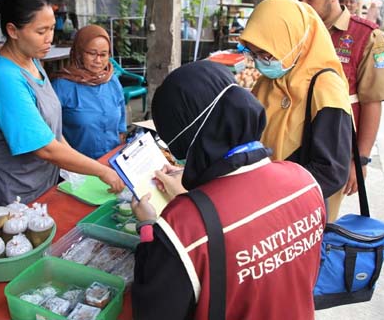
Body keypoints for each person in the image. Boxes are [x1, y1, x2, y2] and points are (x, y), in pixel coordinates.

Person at [130, 60, 326, 319]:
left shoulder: (184, 224)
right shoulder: (305, 181)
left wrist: (148, 227)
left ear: (186, 140)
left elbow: (152, 311)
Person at [0, 0, 124, 206]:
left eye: (51, 29)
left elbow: (53, 134)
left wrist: (85, 169)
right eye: (41, 32)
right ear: (13, 31)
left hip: (41, 183)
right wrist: (100, 171)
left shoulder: (32, 61)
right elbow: (45, 148)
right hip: (12, 191)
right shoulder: (6, 79)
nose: (49, 38)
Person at [286, 0, 384, 222]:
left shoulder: (365, 36)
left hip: (332, 154)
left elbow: (371, 100)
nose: (302, 5)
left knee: (319, 224)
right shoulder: (295, 29)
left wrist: (361, 159)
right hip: (290, 146)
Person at [239, 0, 352, 203]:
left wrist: (274, 193)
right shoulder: (267, 82)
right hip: (259, 197)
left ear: (295, 41)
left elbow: (331, 172)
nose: (259, 63)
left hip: (296, 206)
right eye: (253, 54)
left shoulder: (325, 88)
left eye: (266, 54)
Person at [50, 25, 126, 159]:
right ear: (79, 52)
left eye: (103, 55)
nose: (98, 60)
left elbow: (121, 126)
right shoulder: (61, 86)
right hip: (78, 168)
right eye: (92, 53)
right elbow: (50, 131)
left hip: (112, 163)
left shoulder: (112, 81)